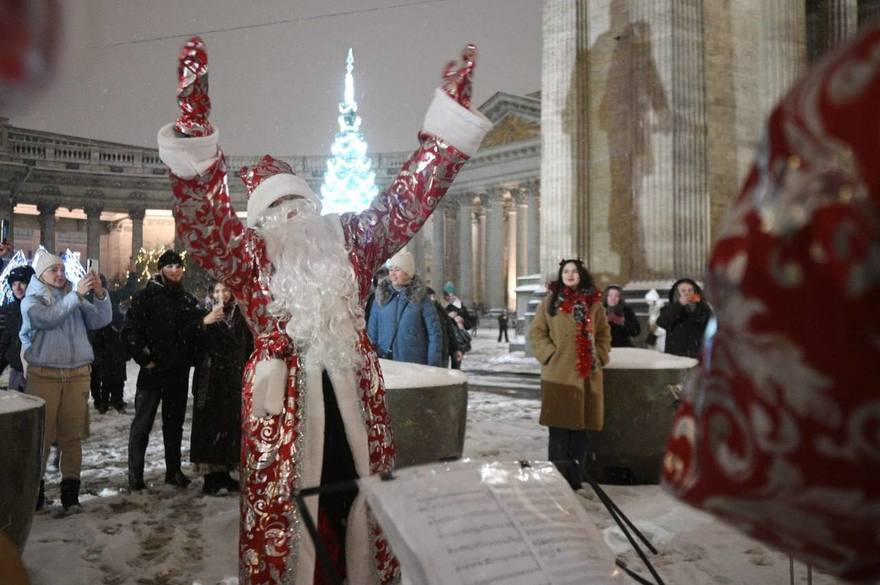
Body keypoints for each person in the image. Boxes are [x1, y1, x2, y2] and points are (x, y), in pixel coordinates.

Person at [157, 37, 490, 583]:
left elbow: (410, 197)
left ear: (311, 204)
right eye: (278, 210)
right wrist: (194, 130)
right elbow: (201, 217)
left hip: (354, 394)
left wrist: (446, 136)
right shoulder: (248, 254)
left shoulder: (353, 238)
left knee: (360, 499)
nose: (292, 218)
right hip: (282, 407)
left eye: (297, 205)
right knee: (288, 518)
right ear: (263, 220)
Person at [20, 249, 111, 514]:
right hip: (44, 375)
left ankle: (70, 494)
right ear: (41, 274)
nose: (61, 274)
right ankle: (35, 493)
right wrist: (76, 296)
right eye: (53, 270)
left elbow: (100, 319)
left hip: (77, 374)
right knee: (42, 437)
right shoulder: (31, 300)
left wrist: (101, 294)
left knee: (73, 436)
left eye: (62, 269)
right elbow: (49, 318)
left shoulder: (75, 295)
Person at [124, 250, 207, 491]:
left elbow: (194, 332)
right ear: (161, 269)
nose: (175, 270)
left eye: (178, 266)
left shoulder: (187, 300)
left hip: (177, 372)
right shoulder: (145, 297)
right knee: (142, 425)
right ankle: (135, 476)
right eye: (170, 266)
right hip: (152, 372)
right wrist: (144, 357)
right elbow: (132, 331)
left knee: (174, 425)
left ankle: (173, 471)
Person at [528, 259, 611, 484]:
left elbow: (604, 334)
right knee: (558, 433)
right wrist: (550, 355)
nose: (570, 274)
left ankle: (576, 479)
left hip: (587, 378)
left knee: (580, 433)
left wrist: (600, 355)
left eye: (574, 271)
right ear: (561, 275)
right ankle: (557, 481)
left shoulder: (594, 304)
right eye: (566, 271)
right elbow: (537, 333)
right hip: (558, 376)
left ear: (581, 274)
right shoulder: (550, 302)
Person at [190, 281, 252, 495]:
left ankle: (225, 473)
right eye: (216, 291)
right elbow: (190, 343)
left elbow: (246, 343)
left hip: (232, 376)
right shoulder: (201, 312)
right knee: (208, 425)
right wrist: (203, 323)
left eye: (225, 290)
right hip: (210, 377)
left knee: (228, 424)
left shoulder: (240, 314)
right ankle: (211, 477)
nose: (221, 295)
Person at [368, 250, 443, 367]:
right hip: (385, 362)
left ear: (408, 273)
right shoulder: (380, 298)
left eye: (397, 270)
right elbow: (372, 334)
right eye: (391, 269)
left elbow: (434, 334)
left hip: (413, 363)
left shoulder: (422, 299)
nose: (392, 274)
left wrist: (432, 365)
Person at [656, 277, 712, 358]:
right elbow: (662, 322)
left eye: (690, 290)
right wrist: (679, 305)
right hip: (676, 357)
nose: (687, 293)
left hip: (698, 357)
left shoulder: (703, 310)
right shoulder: (670, 309)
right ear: (677, 293)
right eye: (683, 291)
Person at [0, 265, 35, 391]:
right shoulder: (9, 310)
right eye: (14, 284)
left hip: (37, 373)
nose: (17, 287)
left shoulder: (40, 309)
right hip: (16, 372)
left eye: (21, 282)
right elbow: (4, 342)